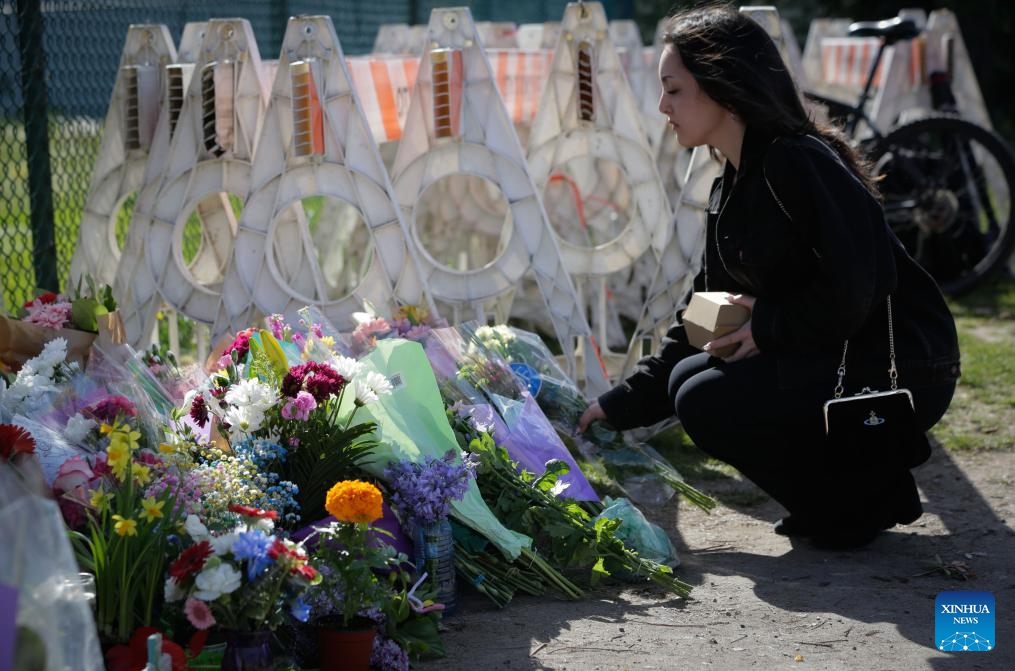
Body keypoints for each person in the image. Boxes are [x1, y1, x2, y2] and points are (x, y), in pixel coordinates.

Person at [578, 4, 960, 550]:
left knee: (705, 398)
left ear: (722, 86)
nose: (661, 106)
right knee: (691, 375)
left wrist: (767, 327)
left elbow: (858, 289)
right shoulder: (730, 185)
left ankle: (858, 501)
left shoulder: (797, 162)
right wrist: (616, 406)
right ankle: (847, 500)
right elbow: (704, 316)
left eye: (674, 89)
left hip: (903, 362)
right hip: (834, 350)